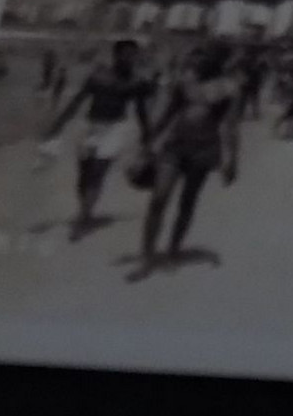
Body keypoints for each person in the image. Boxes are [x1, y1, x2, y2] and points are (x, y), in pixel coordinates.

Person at [132, 43, 239, 278]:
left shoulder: (228, 88)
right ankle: (146, 258)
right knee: (159, 198)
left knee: (187, 202)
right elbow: (168, 113)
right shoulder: (185, 82)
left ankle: (173, 251)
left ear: (218, 62)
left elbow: (230, 127)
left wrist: (232, 162)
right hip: (175, 146)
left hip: (204, 150)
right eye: (199, 57)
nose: (199, 62)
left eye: (206, 58)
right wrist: (148, 143)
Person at [41, 38, 154, 241]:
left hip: (116, 129)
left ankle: (82, 219)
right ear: (116, 55)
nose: (131, 59)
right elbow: (77, 101)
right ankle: (86, 209)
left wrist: (148, 138)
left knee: (98, 172)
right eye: (126, 54)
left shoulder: (137, 83)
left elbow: (141, 111)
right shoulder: (97, 76)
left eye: (134, 55)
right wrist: (57, 126)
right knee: (83, 175)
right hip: (90, 126)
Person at [236, 46, 269, 122]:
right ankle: (252, 114)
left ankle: (246, 114)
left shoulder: (254, 61)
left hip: (251, 82)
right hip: (250, 82)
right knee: (249, 99)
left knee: (248, 99)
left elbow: (263, 71)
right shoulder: (251, 60)